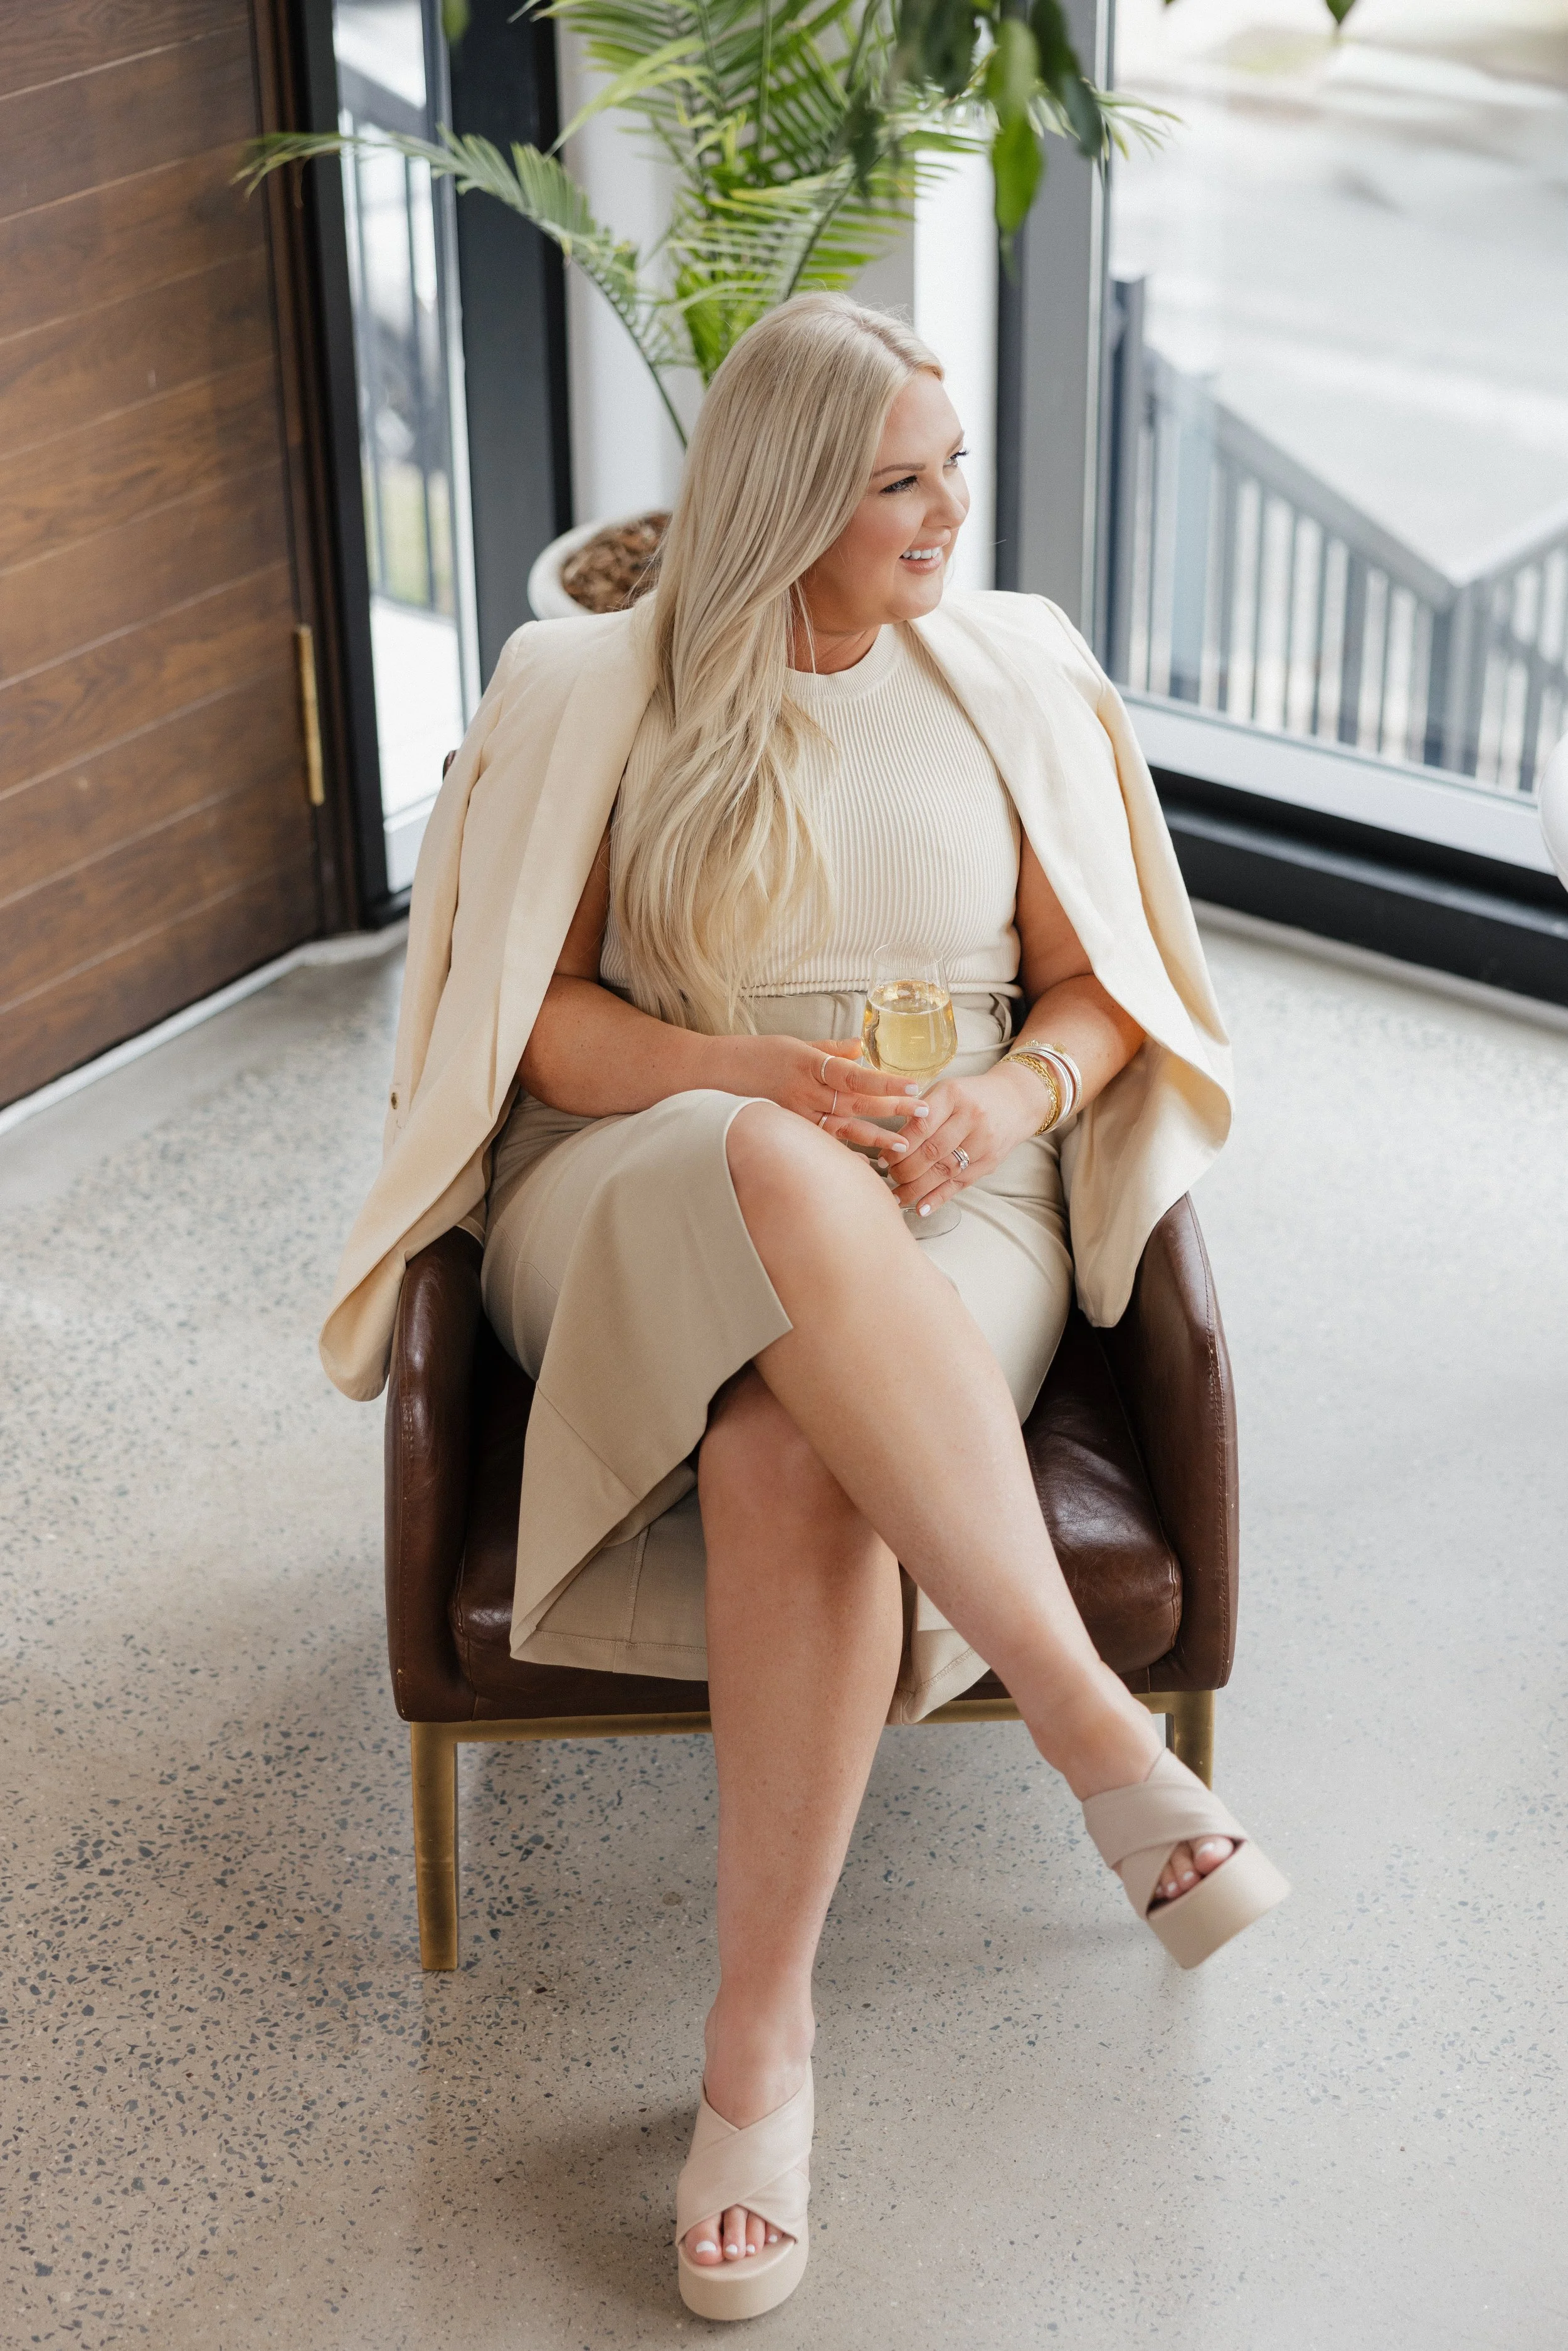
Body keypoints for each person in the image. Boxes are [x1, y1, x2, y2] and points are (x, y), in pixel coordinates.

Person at [320, 292, 1288, 2325]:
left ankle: (753, 2062)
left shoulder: (1007, 671)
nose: (947, 510)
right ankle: (1093, 1729)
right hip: (638, 1173)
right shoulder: (601, 683)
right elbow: (547, 1030)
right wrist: (755, 1082)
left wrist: (1003, 1096)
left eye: (954, 466)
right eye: (896, 483)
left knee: (789, 1451)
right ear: (784, 498)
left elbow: (1103, 984)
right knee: (770, 1176)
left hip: (956, 1189)